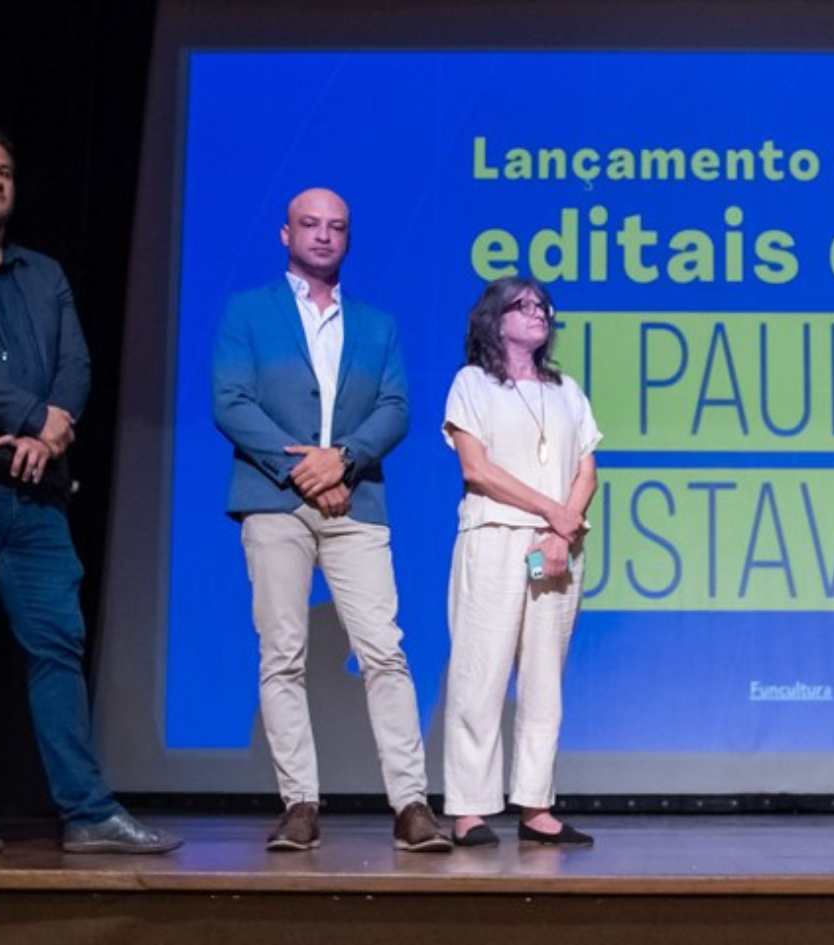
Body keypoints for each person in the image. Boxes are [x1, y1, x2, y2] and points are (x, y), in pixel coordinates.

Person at [0, 127, 181, 854]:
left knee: (58, 645)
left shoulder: (43, 274)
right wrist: (27, 415)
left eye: (6, 171)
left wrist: (48, 435)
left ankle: (87, 811)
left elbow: (74, 365)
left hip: (35, 487)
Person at [212, 187, 450, 853]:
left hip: (356, 501)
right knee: (283, 653)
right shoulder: (247, 311)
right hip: (274, 500)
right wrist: (303, 472)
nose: (323, 235)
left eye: (336, 226)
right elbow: (231, 401)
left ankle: (411, 805)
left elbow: (396, 408)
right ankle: (300, 804)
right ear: (285, 234)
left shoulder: (377, 324)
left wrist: (341, 459)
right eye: (310, 224)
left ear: (348, 238)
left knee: (384, 649)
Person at [440, 276, 601, 846]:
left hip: (555, 548)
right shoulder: (473, 384)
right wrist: (552, 511)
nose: (538, 313)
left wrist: (560, 529)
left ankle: (536, 806)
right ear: (494, 319)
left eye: (542, 306)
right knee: (480, 673)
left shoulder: (566, 390)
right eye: (523, 305)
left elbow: (587, 470)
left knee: (544, 679)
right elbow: (477, 469)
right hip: (495, 540)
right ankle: (469, 809)